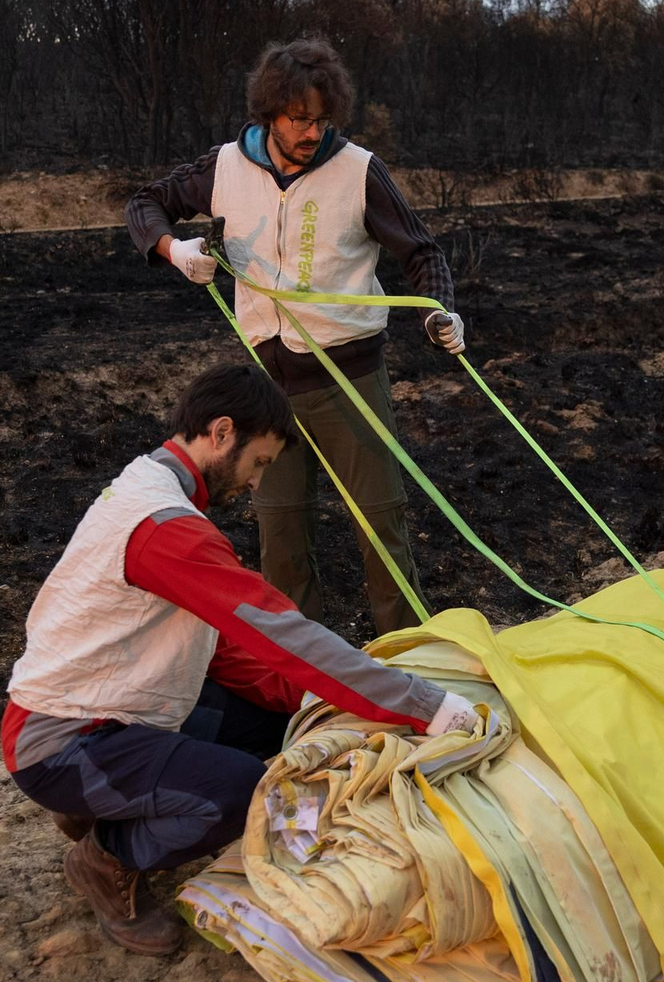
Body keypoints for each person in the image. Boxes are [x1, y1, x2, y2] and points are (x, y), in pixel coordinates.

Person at [1, 363, 479, 954]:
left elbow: (221, 644)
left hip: (109, 709)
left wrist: (315, 702)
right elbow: (283, 634)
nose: (256, 482)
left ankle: (106, 806)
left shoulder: (151, 486)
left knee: (291, 730)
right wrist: (424, 705)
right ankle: (107, 858)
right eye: (259, 463)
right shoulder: (165, 528)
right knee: (241, 793)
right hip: (64, 743)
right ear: (222, 432)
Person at [126, 37, 465, 639]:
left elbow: (422, 252)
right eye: (298, 119)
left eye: (322, 120)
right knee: (280, 541)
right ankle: (302, 678)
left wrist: (442, 313)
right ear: (269, 114)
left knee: (381, 535)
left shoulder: (358, 171)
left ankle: (413, 666)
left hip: (350, 383)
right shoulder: (226, 167)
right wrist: (176, 250)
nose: (312, 133)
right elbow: (146, 204)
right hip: (268, 391)